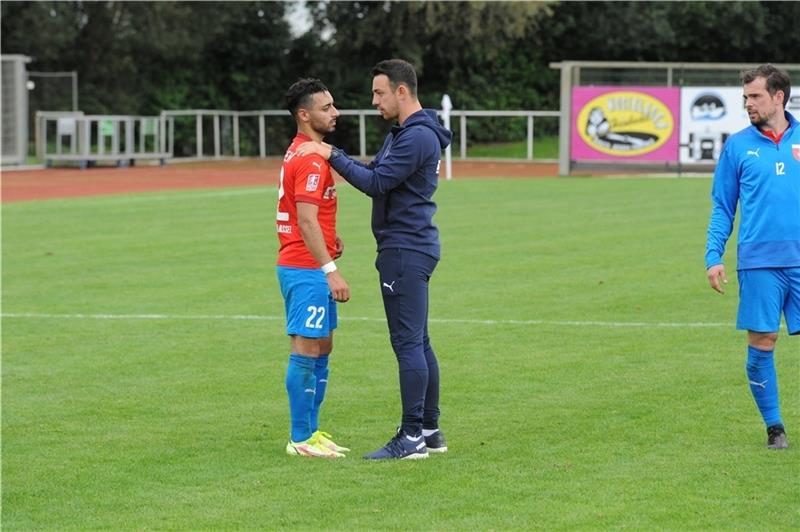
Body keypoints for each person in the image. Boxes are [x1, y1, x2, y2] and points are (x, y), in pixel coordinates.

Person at [297, 59, 453, 460]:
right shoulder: (406, 133)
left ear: (402, 92)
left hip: (405, 249)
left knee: (407, 344)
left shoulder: (416, 137)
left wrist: (330, 153)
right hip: (409, 246)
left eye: (379, 92)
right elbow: (375, 171)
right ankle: (430, 431)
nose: (373, 101)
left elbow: (376, 183)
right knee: (419, 341)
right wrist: (341, 156)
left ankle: (412, 435)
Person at [705, 64, 800, 450]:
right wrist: (714, 255)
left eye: (755, 96)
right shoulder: (738, 146)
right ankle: (774, 427)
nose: (748, 103)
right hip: (759, 263)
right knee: (762, 342)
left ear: (778, 97)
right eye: (745, 97)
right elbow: (722, 207)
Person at [277, 78, 351, 458]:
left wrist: (330, 241)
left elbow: (307, 216)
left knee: (323, 345)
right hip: (306, 268)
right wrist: (330, 268)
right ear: (304, 115)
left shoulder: (302, 151)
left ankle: (312, 431)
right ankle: (300, 437)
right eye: (326, 108)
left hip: (308, 263)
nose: (334, 112)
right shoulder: (309, 158)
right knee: (306, 347)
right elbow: (305, 220)